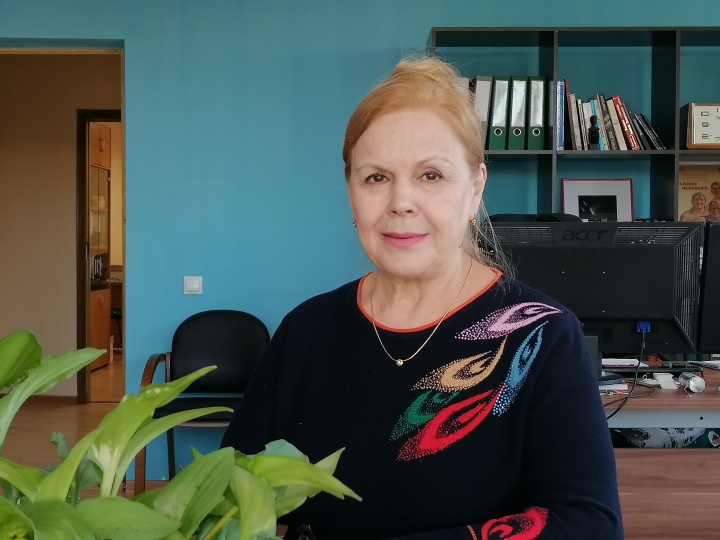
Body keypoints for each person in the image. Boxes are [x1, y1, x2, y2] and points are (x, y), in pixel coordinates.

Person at [221, 55, 623, 539]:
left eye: (431, 175)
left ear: (475, 188)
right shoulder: (306, 330)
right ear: (350, 192)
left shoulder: (543, 335)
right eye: (376, 177)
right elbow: (228, 496)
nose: (401, 203)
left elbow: (588, 523)